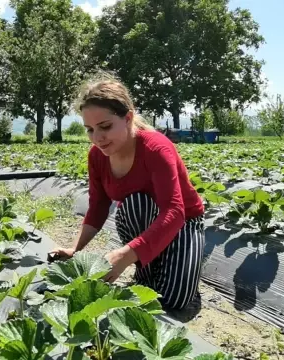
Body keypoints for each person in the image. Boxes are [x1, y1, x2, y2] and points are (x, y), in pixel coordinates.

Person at [50, 74, 205, 310]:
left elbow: (175, 211)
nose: (97, 138)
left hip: (184, 221)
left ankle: (162, 264)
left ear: (128, 118)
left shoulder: (156, 148)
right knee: (135, 206)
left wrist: (124, 255)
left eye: (105, 127)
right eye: (89, 130)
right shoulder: (97, 156)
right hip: (140, 218)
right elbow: (99, 207)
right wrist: (75, 248)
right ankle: (149, 269)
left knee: (173, 301)